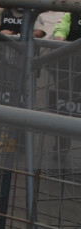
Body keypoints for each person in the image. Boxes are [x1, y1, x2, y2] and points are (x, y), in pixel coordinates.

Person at [50, 10, 81, 158]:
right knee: (64, 107)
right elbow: (60, 30)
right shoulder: (71, 15)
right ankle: (61, 147)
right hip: (68, 69)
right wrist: (59, 38)